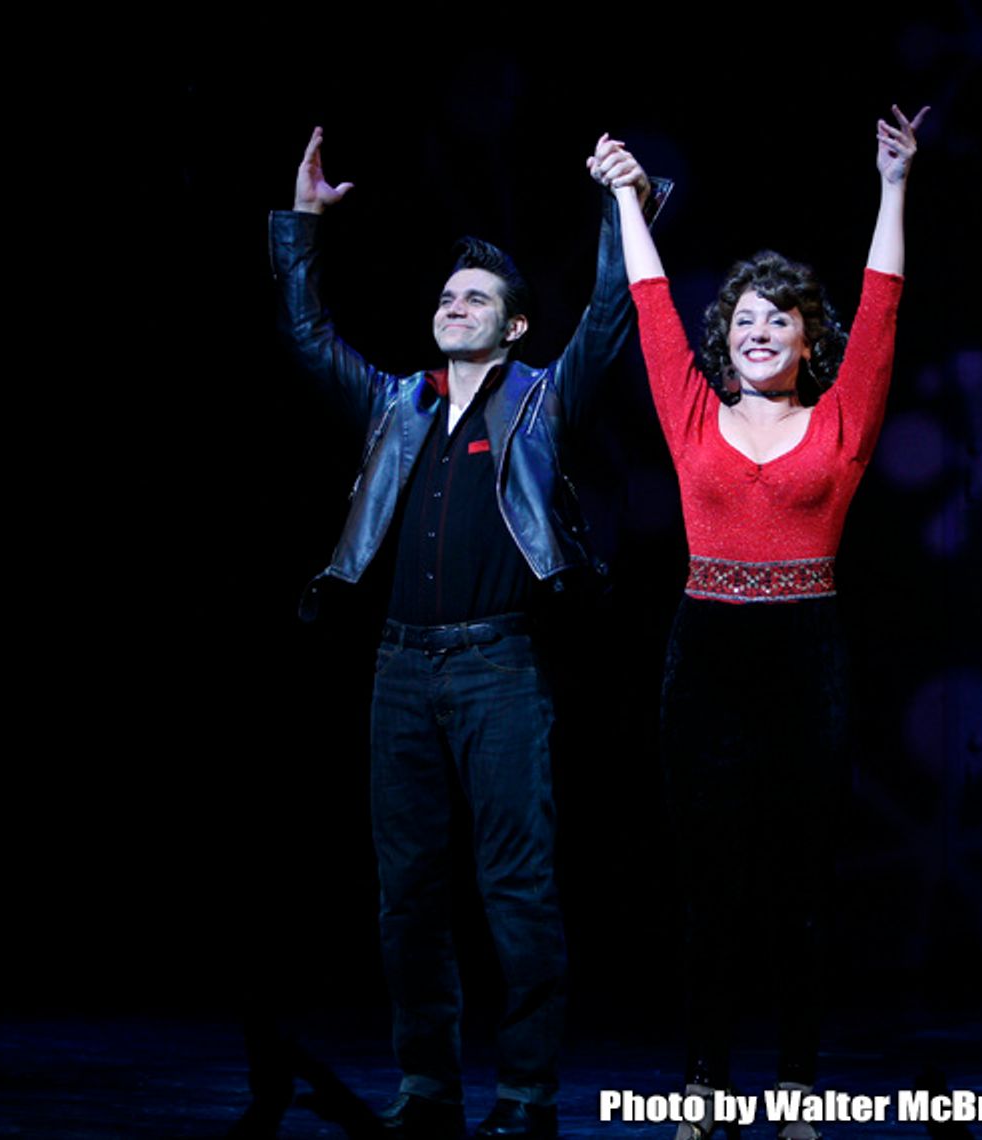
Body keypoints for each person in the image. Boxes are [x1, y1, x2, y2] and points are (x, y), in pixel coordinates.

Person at [270, 127, 666, 1140]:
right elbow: (308, 338)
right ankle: (428, 1085)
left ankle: (526, 1094)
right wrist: (303, 225)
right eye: (447, 295)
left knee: (516, 887)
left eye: (477, 297)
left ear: (514, 323)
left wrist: (626, 201)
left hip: (501, 667)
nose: (454, 306)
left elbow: (612, 316)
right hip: (400, 668)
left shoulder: (540, 401)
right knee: (407, 892)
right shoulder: (397, 404)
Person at [588, 106, 928, 1139]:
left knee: (801, 895)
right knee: (709, 893)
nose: (761, 330)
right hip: (706, 663)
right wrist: (625, 199)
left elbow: (881, 306)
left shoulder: (842, 423)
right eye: (745, 318)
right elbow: (650, 304)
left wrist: (894, 186)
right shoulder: (692, 413)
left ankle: (796, 1090)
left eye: (781, 319)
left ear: (808, 342)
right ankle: (702, 1084)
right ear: (725, 338)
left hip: (805, 663)